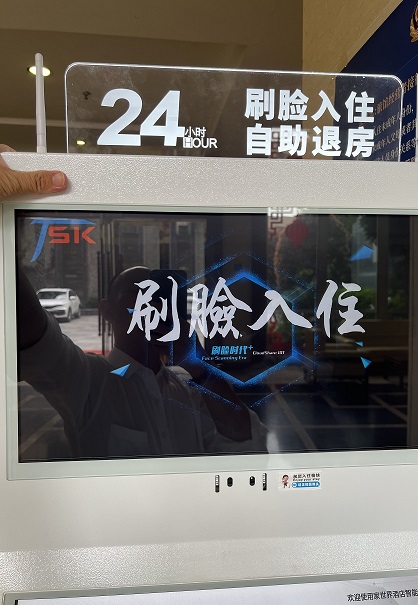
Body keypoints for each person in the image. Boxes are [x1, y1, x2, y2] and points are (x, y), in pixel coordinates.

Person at [2, 146, 267, 459]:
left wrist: (196, 364)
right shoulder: (88, 379)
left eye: (158, 295)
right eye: (136, 293)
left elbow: (245, 439)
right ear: (106, 310)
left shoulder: (191, 388)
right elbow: (34, 335)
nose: (150, 304)